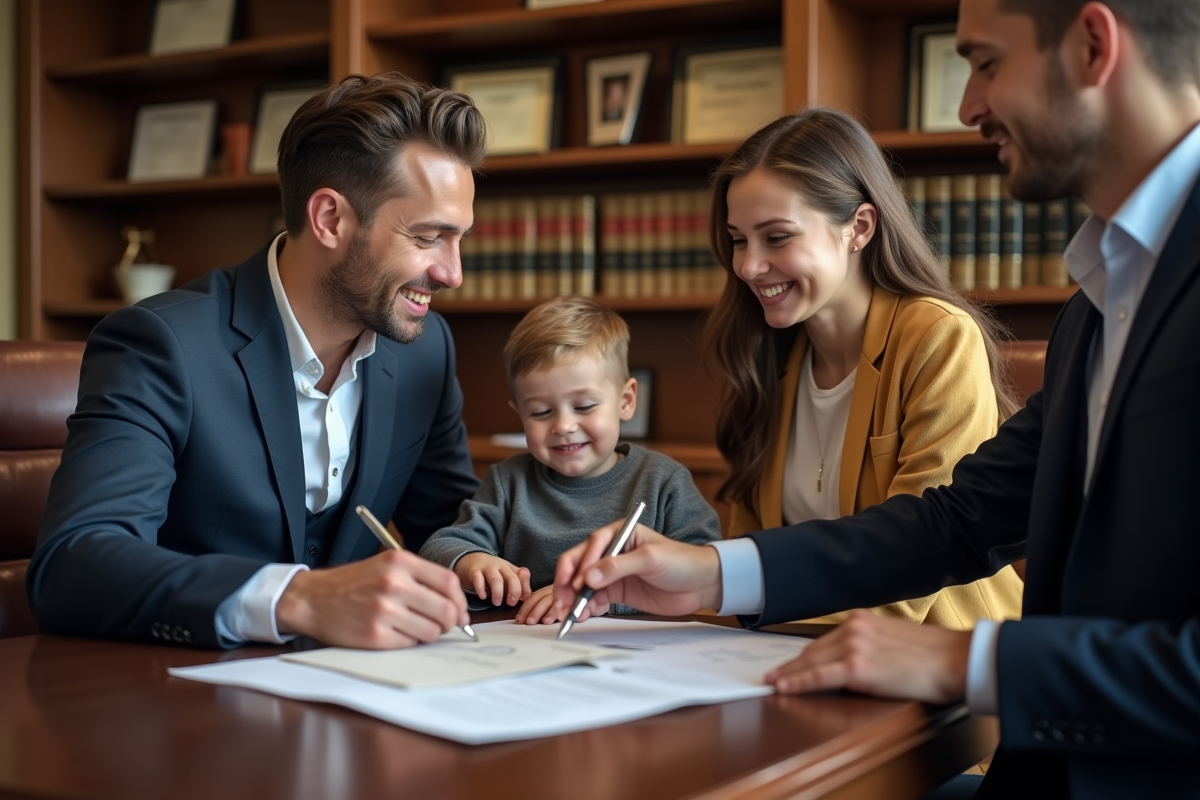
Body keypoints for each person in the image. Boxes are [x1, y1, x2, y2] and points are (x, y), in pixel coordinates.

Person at [553, 0, 1200, 796]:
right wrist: (711, 572)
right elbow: (956, 520)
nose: (967, 107)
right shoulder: (1097, 306)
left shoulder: (1028, 314)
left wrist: (965, 658)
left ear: (1094, 45)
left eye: (987, 63)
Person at [28, 73, 488, 650]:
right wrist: (299, 598)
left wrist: (597, 564)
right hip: (183, 707)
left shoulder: (426, 350)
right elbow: (72, 567)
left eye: (459, 239)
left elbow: (459, 536)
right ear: (330, 219)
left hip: (366, 704)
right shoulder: (160, 344)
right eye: (428, 238)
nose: (453, 273)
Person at [706, 107, 1023, 629]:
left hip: (939, 656)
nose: (747, 265)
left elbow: (923, 555)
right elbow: (750, 553)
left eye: (777, 237)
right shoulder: (763, 354)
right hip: (795, 650)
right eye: (739, 239)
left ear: (859, 227)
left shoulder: (937, 338)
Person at [419, 297, 720, 623]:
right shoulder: (508, 482)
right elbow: (441, 546)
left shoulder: (664, 482)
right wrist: (473, 561)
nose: (563, 426)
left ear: (626, 401)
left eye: (584, 406)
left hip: (637, 650)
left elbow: (706, 566)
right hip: (528, 649)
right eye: (541, 412)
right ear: (520, 415)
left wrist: (607, 596)